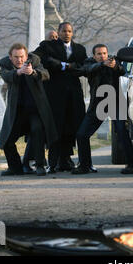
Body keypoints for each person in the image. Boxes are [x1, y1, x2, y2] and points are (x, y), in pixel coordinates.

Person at [32, 22, 89, 173]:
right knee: (55, 127)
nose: (67, 34)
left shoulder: (80, 49)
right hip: (54, 94)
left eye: (69, 31)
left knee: (72, 126)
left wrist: (64, 66)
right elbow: (39, 58)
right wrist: (66, 66)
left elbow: (83, 67)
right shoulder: (47, 46)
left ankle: (68, 160)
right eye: (64, 31)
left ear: (72, 32)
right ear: (59, 32)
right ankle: (53, 162)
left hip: (74, 95)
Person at [0, 43, 58, 176]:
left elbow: (45, 74)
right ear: (10, 57)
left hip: (35, 111)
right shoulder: (5, 64)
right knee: (7, 141)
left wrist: (33, 73)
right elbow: (6, 76)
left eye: (21, 57)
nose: (19, 60)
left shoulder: (35, 61)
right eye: (16, 57)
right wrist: (18, 72)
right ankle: (15, 168)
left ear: (26, 56)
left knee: (38, 132)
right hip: (16, 112)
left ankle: (40, 165)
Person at [76, 44, 133, 174]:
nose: (102, 56)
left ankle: (131, 164)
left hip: (115, 103)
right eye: (99, 54)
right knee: (81, 134)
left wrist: (114, 65)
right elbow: (85, 70)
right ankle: (85, 165)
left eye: (104, 53)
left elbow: (122, 70)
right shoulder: (90, 63)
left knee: (122, 132)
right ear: (94, 56)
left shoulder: (113, 62)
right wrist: (101, 65)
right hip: (97, 105)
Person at [22, 29, 58, 173]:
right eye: (51, 37)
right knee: (35, 132)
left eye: (56, 37)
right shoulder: (37, 55)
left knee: (40, 130)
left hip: (50, 96)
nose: (54, 39)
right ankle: (30, 162)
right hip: (37, 97)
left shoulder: (64, 51)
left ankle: (43, 163)